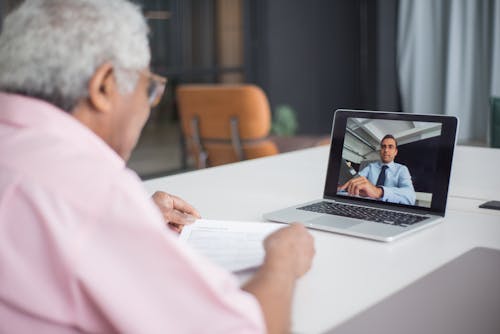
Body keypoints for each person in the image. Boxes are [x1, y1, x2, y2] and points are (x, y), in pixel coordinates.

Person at [0, 1, 315, 333]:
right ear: (105, 85)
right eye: (149, 87)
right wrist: (283, 261)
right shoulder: (93, 194)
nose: (150, 105)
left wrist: (130, 219)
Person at [339, 134, 416, 205]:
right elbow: (355, 180)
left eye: (390, 147)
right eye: (383, 146)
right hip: (366, 205)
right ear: (380, 151)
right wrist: (340, 189)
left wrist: (378, 192)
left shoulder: (402, 169)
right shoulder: (371, 167)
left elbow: (411, 197)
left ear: (395, 152)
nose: (386, 150)